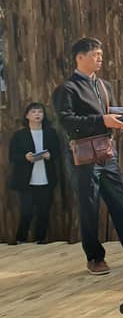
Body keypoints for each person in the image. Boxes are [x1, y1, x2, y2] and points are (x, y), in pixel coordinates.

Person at [52, 37, 123, 275]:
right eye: (95, 55)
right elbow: (67, 122)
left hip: (106, 151)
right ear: (80, 57)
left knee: (120, 203)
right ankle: (94, 258)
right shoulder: (67, 89)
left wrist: (121, 120)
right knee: (89, 207)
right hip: (83, 156)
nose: (100, 59)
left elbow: (109, 114)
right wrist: (103, 120)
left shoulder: (104, 86)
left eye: (101, 55)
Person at [8, 102, 62, 244]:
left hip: (46, 178)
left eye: (40, 111)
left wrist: (50, 155)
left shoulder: (50, 133)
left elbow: (57, 152)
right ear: (27, 116)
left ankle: (40, 239)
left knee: (44, 212)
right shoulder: (19, 135)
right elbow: (12, 156)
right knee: (26, 212)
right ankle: (20, 239)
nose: (37, 114)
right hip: (25, 180)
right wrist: (25, 157)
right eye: (33, 112)